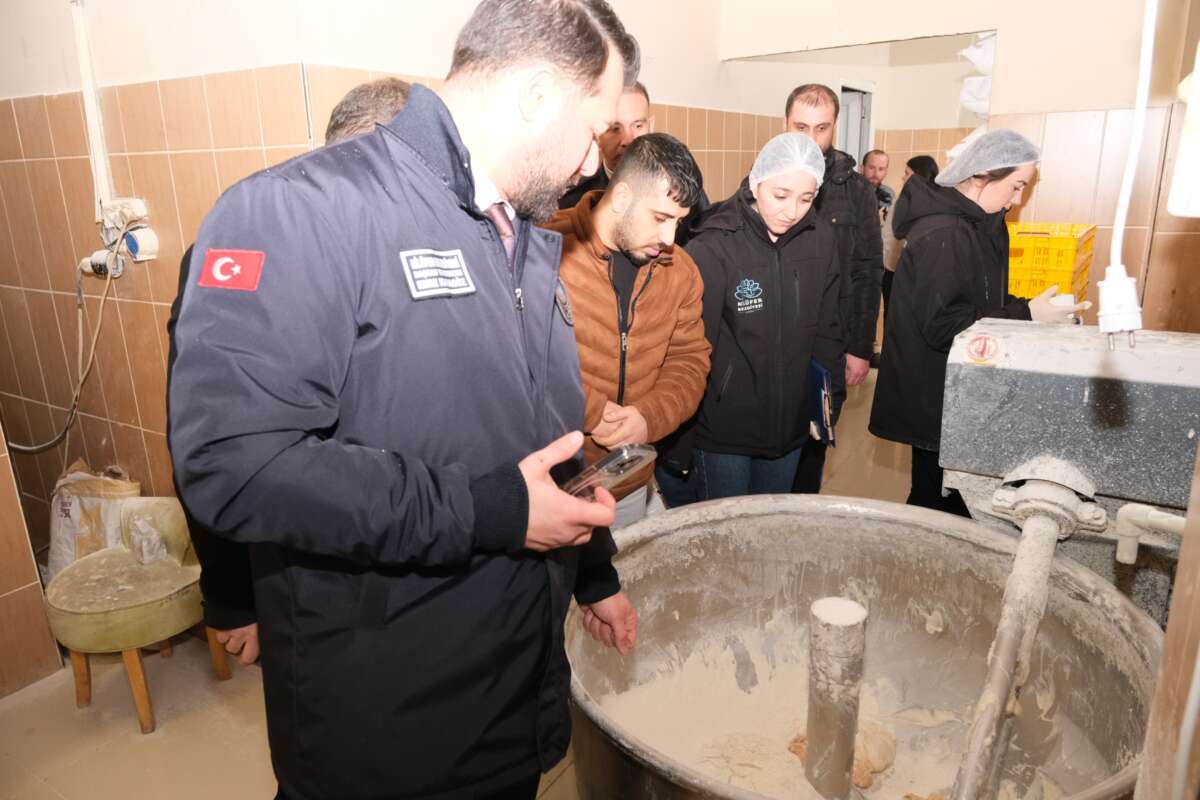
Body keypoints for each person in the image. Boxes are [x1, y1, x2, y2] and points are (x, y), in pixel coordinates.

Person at [168, 2, 641, 797]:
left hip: (509, 695)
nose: (595, 165)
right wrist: (486, 512)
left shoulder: (521, 236)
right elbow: (235, 464)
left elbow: (536, 442)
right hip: (387, 724)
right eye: (596, 132)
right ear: (536, 96)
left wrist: (592, 573)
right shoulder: (302, 210)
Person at [166, 76, 416, 668]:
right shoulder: (249, 247)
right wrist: (232, 598)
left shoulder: (402, 246)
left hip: (401, 549)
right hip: (299, 566)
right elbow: (215, 444)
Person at [870, 130, 1088, 515]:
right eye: (1016, 186)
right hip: (935, 392)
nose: (1017, 200)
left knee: (948, 497)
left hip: (960, 387)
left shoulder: (982, 224)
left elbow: (983, 302)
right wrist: (1027, 315)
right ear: (982, 175)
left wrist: (1032, 309)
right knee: (935, 501)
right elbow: (944, 325)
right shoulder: (943, 233)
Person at [546, 133, 710, 527]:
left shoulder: (681, 271)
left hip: (628, 481)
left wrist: (647, 418)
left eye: (679, 222)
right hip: (551, 480)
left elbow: (690, 361)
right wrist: (590, 411)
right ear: (621, 198)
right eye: (661, 218)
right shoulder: (546, 248)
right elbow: (515, 355)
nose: (669, 239)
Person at [684, 133, 845, 499]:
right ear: (756, 182)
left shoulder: (820, 240)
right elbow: (692, 345)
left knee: (770, 524)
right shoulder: (714, 244)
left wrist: (828, 403)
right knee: (727, 526)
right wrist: (681, 437)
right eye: (780, 195)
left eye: (806, 198)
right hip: (724, 428)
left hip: (790, 425)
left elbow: (828, 329)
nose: (792, 211)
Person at [784, 84, 882, 493]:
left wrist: (860, 347)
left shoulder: (856, 190)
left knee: (812, 451)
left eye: (821, 128)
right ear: (785, 123)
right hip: (777, 340)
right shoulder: (763, 178)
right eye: (801, 127)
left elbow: (867, 272)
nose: (811, 138)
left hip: (830, 344)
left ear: (835, 127)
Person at [881, 154, 939, 321]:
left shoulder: (916, 204)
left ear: (918, 176)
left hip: (905, 274)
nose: (903, 177)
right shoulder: (907, 199)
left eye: (907, 173)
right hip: (894, 271)